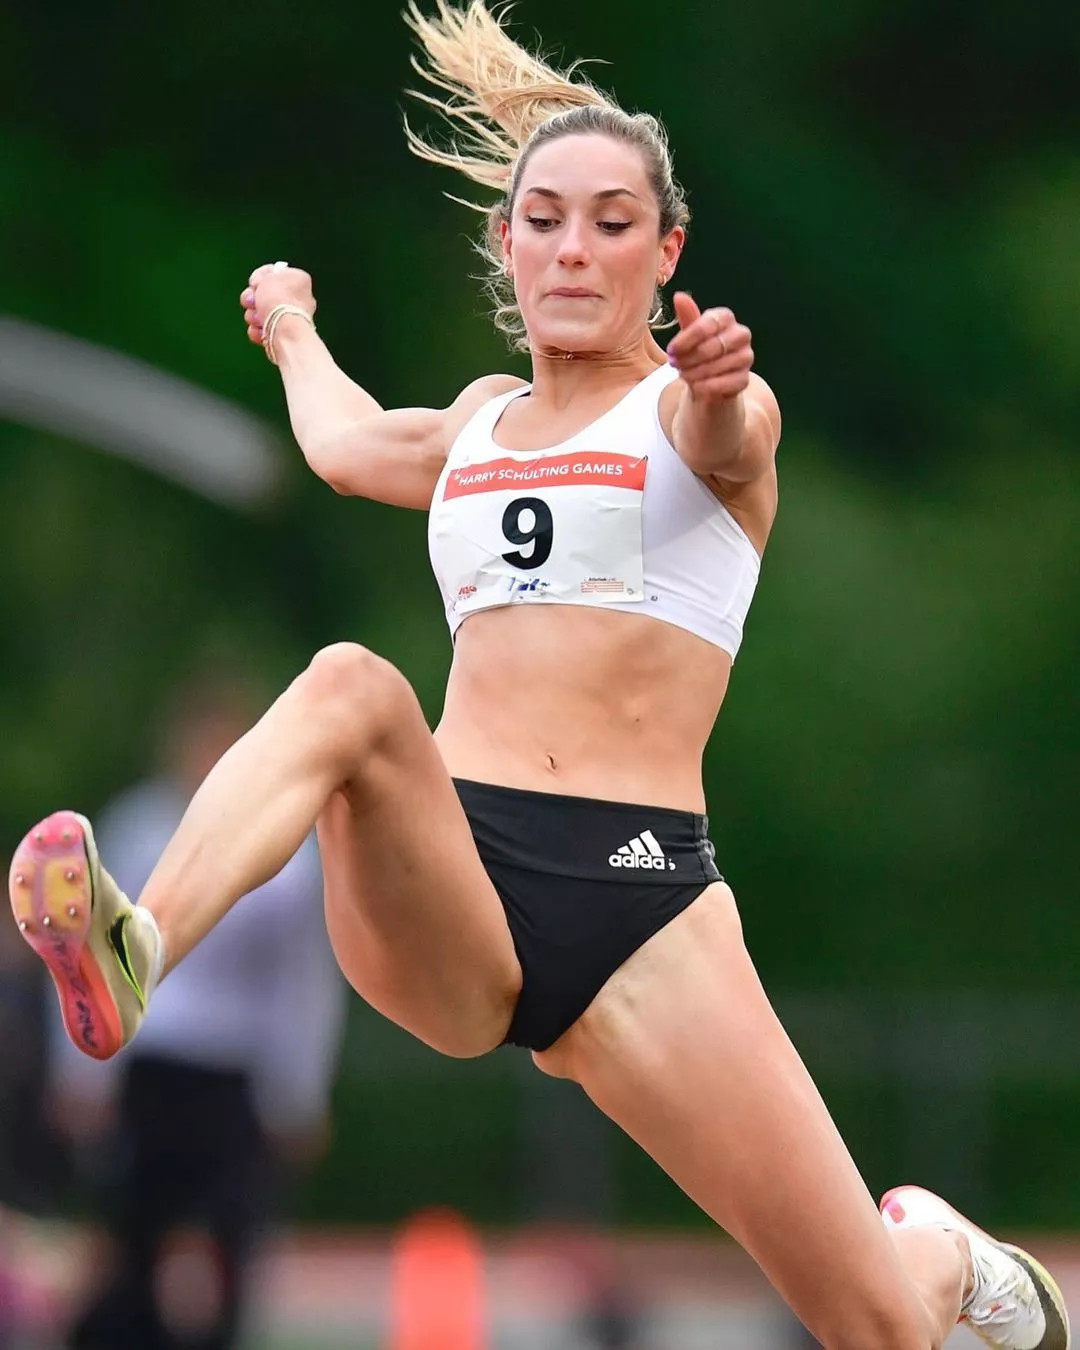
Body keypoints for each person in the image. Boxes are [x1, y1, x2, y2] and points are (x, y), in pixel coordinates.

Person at [6, 4, 1069, 1348]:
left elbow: (729, 431)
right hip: (456, 868)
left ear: (664, 248)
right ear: (506, 245)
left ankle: (929, 1250)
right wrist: (290, 329)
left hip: (642, 907)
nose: (576, 246)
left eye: (614, 221)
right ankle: (136, 942)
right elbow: (342, 446)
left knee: (877, 1331)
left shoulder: (687, 415)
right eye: (547, 218)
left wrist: (725, 379)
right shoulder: (475, 428)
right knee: (351, 686)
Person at [44, 677, 345, 1350]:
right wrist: (84, 1071)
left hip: (233, 1069)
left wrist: (298, 1090)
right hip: (153, 1058)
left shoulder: (287, 855)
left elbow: (301, 982)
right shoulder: (136, 829)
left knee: (233, 1237)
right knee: (133, 1235)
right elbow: (79, 963)